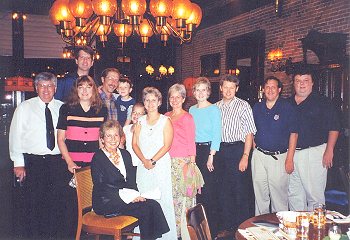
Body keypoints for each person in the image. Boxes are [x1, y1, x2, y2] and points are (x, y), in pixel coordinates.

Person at [91, 120, 170, 239]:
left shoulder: (125, 154)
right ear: (102, 139)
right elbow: (101, 186)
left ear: (121, 137)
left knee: (153, 204)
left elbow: (131, 181)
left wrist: (137, 195)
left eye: (116, 135)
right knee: (145, 210)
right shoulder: (98, 157)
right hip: (106, 201)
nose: (113, 139)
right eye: (108, 136)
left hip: (125, 198)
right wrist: (129, 197)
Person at [9, 72, 65, 239]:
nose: (46, 90)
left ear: (55, 88)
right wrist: (18, 163)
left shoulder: (63, 107)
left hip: (57, 163)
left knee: (55, 204)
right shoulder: (24, 107)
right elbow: (15, 135)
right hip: (34, 163)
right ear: (36, 88)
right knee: (34, 205)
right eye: (42, 86)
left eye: (49, 86)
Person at [57, 75, 107, 237]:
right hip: (72, 166)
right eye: (81, 87)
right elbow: (60, 139)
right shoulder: (66, 109)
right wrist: (69, 162)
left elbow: (102, 140)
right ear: (76, 90)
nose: (85, 91)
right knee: (70, 208)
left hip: (94, 165)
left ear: (94, 89)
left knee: (92, 206)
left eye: (88, 87)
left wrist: (101, 163)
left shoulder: (101, 109)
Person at [288, 67, 341, 211]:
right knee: (294, 194)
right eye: (298, 81)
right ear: (294, 83)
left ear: (312, 83)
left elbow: (334, 127)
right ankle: (297, 229)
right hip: (291, 154)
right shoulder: (287, 103)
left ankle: (316, 230)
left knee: (314, 196)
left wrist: (329, 150)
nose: (302, 84)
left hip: (314, 153)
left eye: (306, 81)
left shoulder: (323, 102)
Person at [132, 87, 177, 239]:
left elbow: (167, 145)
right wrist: (144, 160)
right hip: (143, 166)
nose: (150, 103)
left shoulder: (166, 121)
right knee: (144, 200)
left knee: (161, 199)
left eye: (154, 100)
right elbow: (135, 144)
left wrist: (152, 160)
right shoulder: (140, 122)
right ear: (144, 103)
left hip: (160, 166)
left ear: (159, 102)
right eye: (147, 100)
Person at [215, 75, 256, 236]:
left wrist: (245, 155)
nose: (228, 90)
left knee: (240, 190)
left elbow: (249, 133)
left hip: (238, 150)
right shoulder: (215, 107)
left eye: (232, 88)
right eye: (226, 87)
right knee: (224, 190)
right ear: (221, 88)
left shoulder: (243, 106)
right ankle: (228, 226)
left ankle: (242, 227)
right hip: (220, 151)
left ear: (237, 89)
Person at [252, 76, 298, 215]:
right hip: (259, 156)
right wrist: (255, 149)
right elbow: (251, 130)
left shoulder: (287, 107)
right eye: (267, 87)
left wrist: (289, 159)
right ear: (263, 89)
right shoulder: (257, 107)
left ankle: (279, 231)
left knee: (279, 198)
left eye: (273, 87)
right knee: (260, 196)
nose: (270, 90)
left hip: (279, 158)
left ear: (279, 90)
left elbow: (294, 134)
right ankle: (260, 229)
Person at [165, 83, 198, 239]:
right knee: (171, 199)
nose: (175, 100)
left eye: (178, 97)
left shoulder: (187, 117)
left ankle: (186, 234)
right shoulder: (165, 116)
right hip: (167, 163)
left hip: (183, 163)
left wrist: (191, 166)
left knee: (186, 199)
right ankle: (173, 233)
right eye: (172, 97)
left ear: (183, 99)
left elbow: (191, 143)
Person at [189, 77, 221, 238]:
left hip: (209, 152)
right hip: (195, 151)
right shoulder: (192, 110)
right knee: (197, 192)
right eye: (198, 90)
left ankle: (212, 231)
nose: (201, 93)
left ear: (208, 92)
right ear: (194, 92)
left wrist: (211, 156)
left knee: (209, 192)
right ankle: (199, 231)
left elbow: (217, 134)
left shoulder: (214, 109)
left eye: (204, 90)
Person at [123, 103, 146, 167]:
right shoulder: (126, 128)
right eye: (134, 112)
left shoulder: (144, 129)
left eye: (139, 114)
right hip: (129, 162)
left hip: (140, 163)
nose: (136, 115)